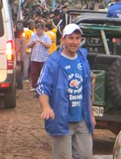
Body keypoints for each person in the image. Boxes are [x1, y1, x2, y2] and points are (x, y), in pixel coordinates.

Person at [37, 24, 95, 159]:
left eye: (77, 38)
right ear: (63, 40)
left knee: (85, 155)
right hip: (62, 120)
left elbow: (86, 90)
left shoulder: (82, 60)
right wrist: (46, 107)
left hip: (82, 119)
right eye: (71, 38)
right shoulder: (53, 62)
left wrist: (91, 115)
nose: (74, 42)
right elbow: (42, 87)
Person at [27, 22, 52, 92]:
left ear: (43, 29)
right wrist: (33, 43)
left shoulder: (46, 36)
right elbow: (29, 46)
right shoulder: (33, 36)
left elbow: (49, 45)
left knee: (42, 73)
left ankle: (42, 86)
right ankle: (34, 86)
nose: (38, 32)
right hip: (34, 57)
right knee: (34, 73)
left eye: (39, 30)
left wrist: (41, 42)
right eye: (37, 30)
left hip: (43, 58)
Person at [13, 21, 26, 90]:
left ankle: (19, 85)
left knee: (18, 72)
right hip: (21, 57)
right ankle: (20, 84)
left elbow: (17, 48)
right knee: (20, 71)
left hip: (17, 57)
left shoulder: (17, 38)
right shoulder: (23, 37)